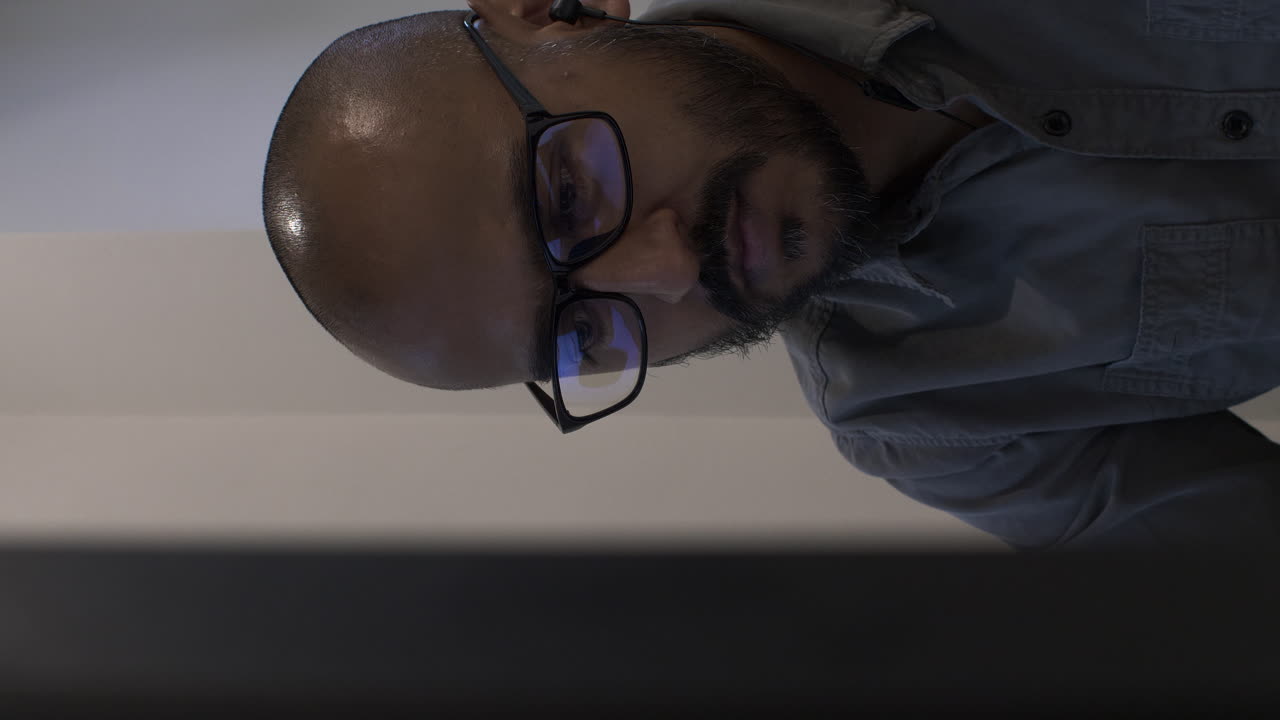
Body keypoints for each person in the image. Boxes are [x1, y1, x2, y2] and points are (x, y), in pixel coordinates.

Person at [261, 0, 1280, 550]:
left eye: (567, 201)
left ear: (556, 10)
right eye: (583, 330)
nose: (665, 275)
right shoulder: (933, 424)